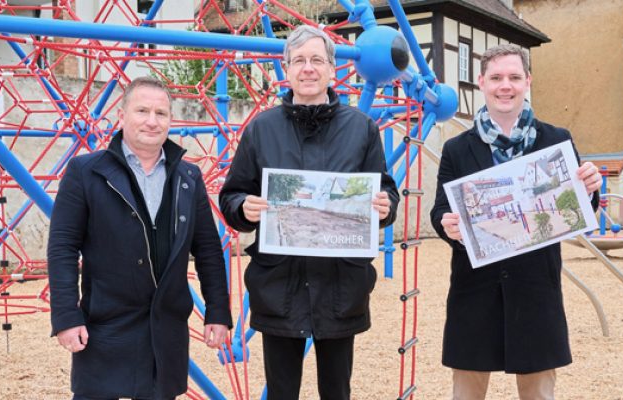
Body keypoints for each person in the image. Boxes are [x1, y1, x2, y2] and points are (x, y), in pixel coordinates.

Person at [218, 25, 399, 400]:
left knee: (337, 391)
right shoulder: (261, 129)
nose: (308, 68)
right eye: (299, 60)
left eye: (317, 60)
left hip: (340, 287)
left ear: (333, 69)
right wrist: (243, 208)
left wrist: (385, 206)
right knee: (281, 393)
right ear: (286, 70)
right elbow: (232, 194)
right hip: (279, 287)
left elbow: (385, 191)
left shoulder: (361, 129)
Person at [430, 44, 602, 400]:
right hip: (475, 290)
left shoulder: (557, 140)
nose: (504, 86)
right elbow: (440, 210)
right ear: (481, 82)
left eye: (513, 77)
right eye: (496, 78)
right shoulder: (457, 149)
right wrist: (447, 225)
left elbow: (579, 209)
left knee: (539, 392)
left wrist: (590, 189)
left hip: (535, 287)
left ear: (527, 82)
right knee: (467, 393)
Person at [47, 76, 232, 400]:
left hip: (166, 326)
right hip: (104, 325)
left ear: (170, 120)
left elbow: (207, 250)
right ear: (121, 117)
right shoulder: (86, 172)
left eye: (161, 113)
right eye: (142, 110)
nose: (151, 120)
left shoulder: (189, 177)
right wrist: (66, 316)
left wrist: (218, 311)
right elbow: (62, 248)